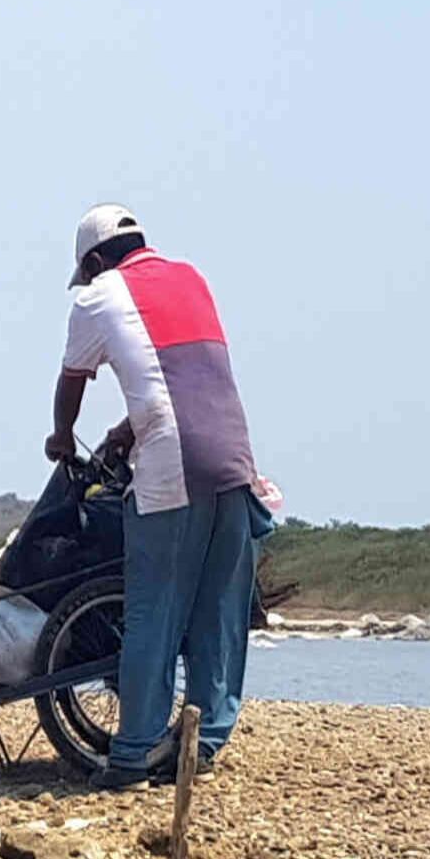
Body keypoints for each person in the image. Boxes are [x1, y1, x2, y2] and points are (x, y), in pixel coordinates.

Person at [51, 205, 274, 782]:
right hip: (234, 457)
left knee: (154, 611)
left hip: (174, 469)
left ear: (95, 261)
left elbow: (72, 381)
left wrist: (60, 438)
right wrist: (128, 429)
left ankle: (130, 758)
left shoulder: (96, 296)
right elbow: (182, 380)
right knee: (218, 614)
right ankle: (201, 748)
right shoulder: (192, 278)